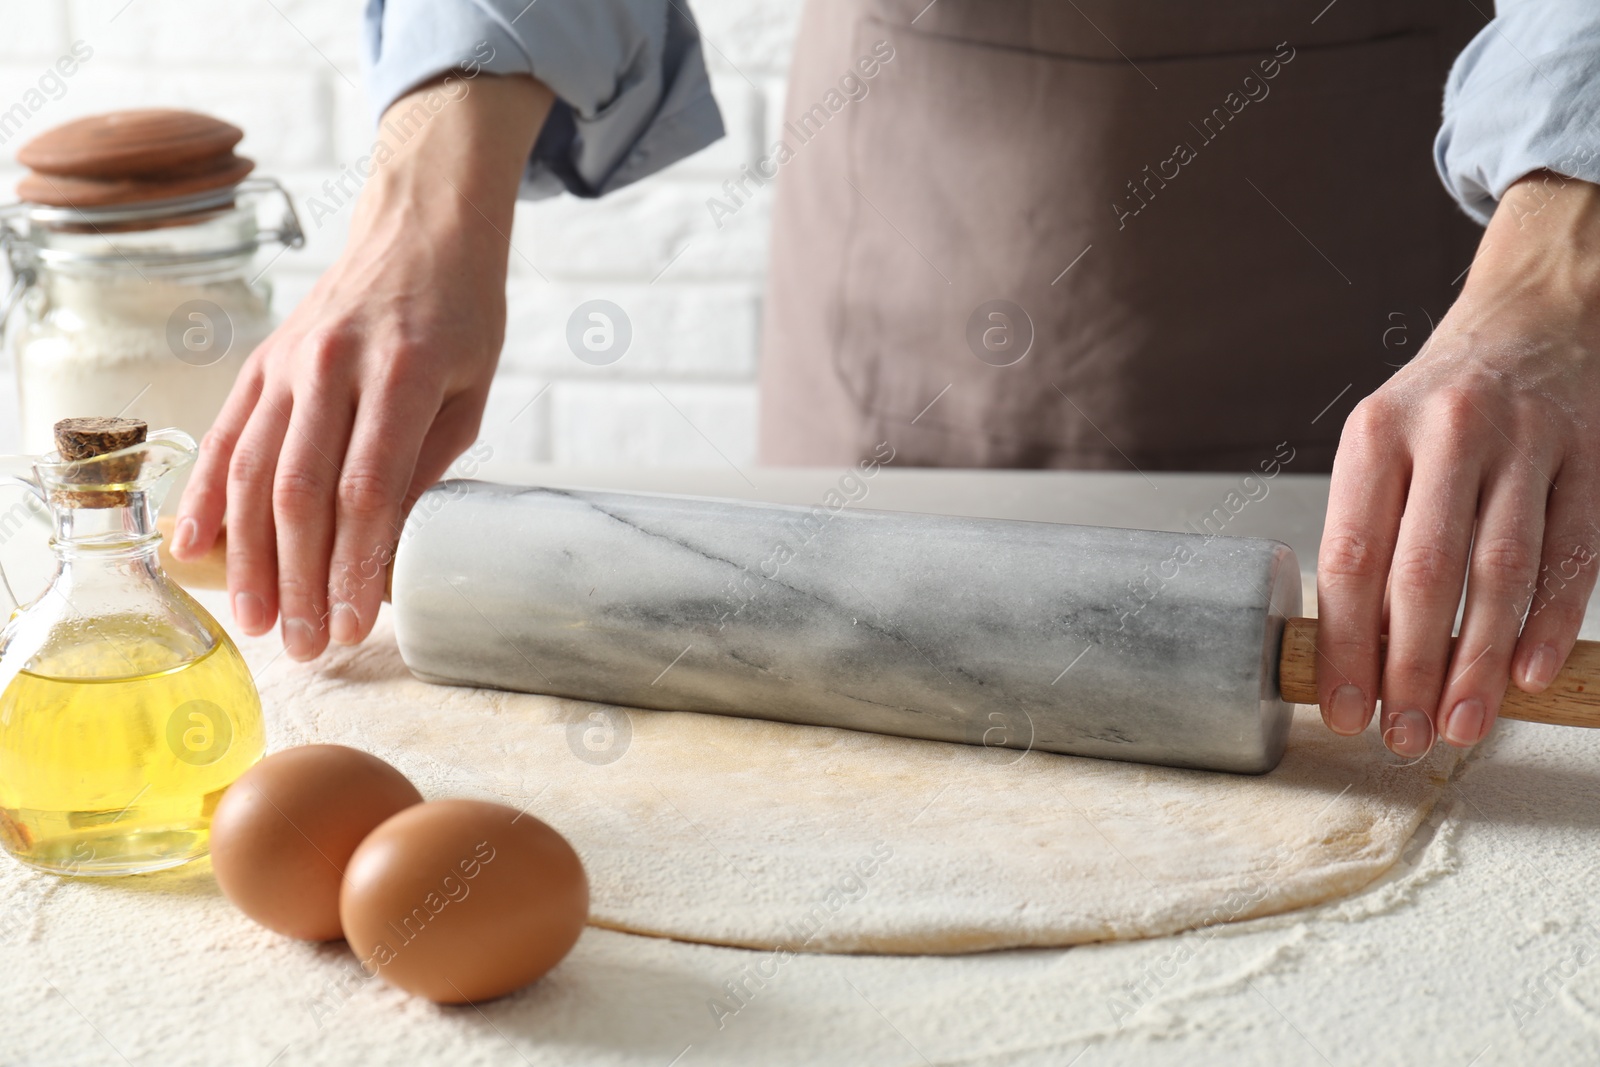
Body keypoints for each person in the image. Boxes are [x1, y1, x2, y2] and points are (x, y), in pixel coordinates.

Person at [171, 0, 1600, 763]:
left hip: (1387, 232)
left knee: (1412, 699)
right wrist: (429, 197)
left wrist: (1560, 256)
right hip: (911, 190)